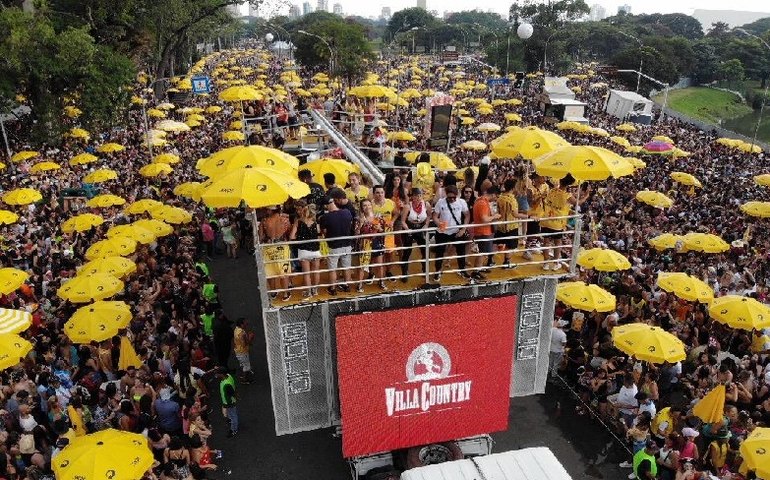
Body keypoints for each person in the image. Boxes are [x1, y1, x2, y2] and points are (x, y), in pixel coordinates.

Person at [431, 185, 470, 281]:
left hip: (457, 231)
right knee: (439, 253)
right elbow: (435, 216)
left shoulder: (462, 202)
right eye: (450, 197)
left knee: (461, 252)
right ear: (446, 195)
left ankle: (462, 270)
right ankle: (438, 271)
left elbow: (467, 215)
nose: (452, 199)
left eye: (454, 197)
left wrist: (463, 229)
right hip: (442, 232)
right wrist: (438, 223)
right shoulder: (441, 202)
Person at [319, 194, 354, 295]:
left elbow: (324, 231)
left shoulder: (325, 217)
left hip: (333, 246)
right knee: (346, 267)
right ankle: (346, 286)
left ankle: (332, 288)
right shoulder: (346, 212)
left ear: (326, 206)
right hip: (347, 244)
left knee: (332, 269)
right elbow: (350, 224)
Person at [259, 205, 292, 301]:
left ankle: (273, 292)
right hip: (282, 247)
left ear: (271, 210)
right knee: (283, 271)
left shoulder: (264, 221)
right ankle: (286, 293)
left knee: (270, 271)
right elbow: (289, 233)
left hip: (269, 247)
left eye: (267, 209)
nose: (266, 211)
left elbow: (261, 237)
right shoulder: (285, 219)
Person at [399, 187, 431, 282]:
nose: (418, 198)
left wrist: (426, 225)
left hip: (421, 227)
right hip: (409, 227)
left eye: (420, 196)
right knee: (407, 251)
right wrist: (408, 230)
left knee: (425, 250)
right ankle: (404, 273)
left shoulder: (426, 204)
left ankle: (425, 270)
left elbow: (429, 215)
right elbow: (403, 221)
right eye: (416, 196)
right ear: (412, 197)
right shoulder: (407, 206)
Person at [290, 200, 321, 298]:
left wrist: (299, 237)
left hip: (303, 251)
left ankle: (308, 293)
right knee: (316, 271)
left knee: (306, 274)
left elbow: (292, 237)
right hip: (315, 250)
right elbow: (320, 234)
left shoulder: (298, 222)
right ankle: (315, 291)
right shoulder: (315, 222)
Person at [471, 185, 501, 280]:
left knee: (484, 252)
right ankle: (476, 272)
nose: (496, 199)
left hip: (483, 230)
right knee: (483, 253)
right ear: (493, 194)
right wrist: (494, 217)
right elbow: (484, 219)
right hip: (483, 231)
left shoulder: (481, 201)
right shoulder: (483, 203)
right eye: (496, 197)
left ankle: (478, 269)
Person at [356, 199, 387, 292]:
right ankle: (360, 284)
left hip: (377, 242)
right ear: (361, 208)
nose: (367, 207)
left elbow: (384, 231)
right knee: (362, 265)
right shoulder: (358, 219)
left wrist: (380, 229)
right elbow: (356, 233)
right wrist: (361, 224)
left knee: (379, 264)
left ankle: (381, 282)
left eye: (369, 205)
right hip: (365, 243)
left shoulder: (378, 216)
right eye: (364, 205)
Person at [371, 184, 397, 279]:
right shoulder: (370, 205)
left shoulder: (390, 203)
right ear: (374, 194)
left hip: (388, 233)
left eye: (382, 192)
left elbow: (396, 213)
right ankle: (371, 273)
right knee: (374, 255)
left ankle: (388, 272)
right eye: (377, 193)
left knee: (389, 254)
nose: (380, 194)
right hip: (375, 234)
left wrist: (392, 221)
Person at [217, 367, 238, 438]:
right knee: (231, 414)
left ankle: (234, 430)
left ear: (222, 374)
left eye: (218, 373)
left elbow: (232, 394)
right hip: (228, 402)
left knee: (233, 416)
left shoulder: (227, 384)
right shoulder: (228, 376)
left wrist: (226, 405)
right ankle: (230, 420)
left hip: (229, 403)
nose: (217, 375)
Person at [233, 318, 253, 383]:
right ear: (241, 324)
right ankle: (245, 379)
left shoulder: (236, 329)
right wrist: (250, 337)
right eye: (244, 322)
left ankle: (243, 374)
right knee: (247, 366)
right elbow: (245, 343)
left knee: (242, 363)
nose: (246, 323)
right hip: (243, 352)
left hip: (238, 350)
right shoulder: (242, 333)